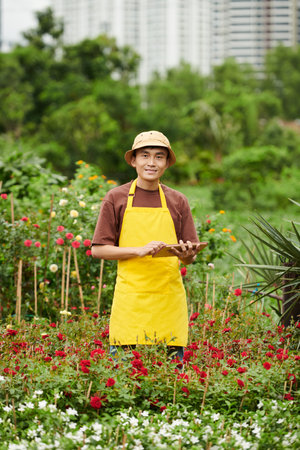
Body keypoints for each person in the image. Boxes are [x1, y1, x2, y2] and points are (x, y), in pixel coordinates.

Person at [92, 130, 201, 360]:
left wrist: (189, 255)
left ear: (166, 163)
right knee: (121, 377)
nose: (151, 163)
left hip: (167, 300)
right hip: (131, 300)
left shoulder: (177, 200)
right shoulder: (116, 198)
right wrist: (138, 250)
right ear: (134, 160)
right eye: (145, 155)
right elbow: (98, 249)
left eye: (159, 156)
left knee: (171, 377)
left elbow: (189, 255)